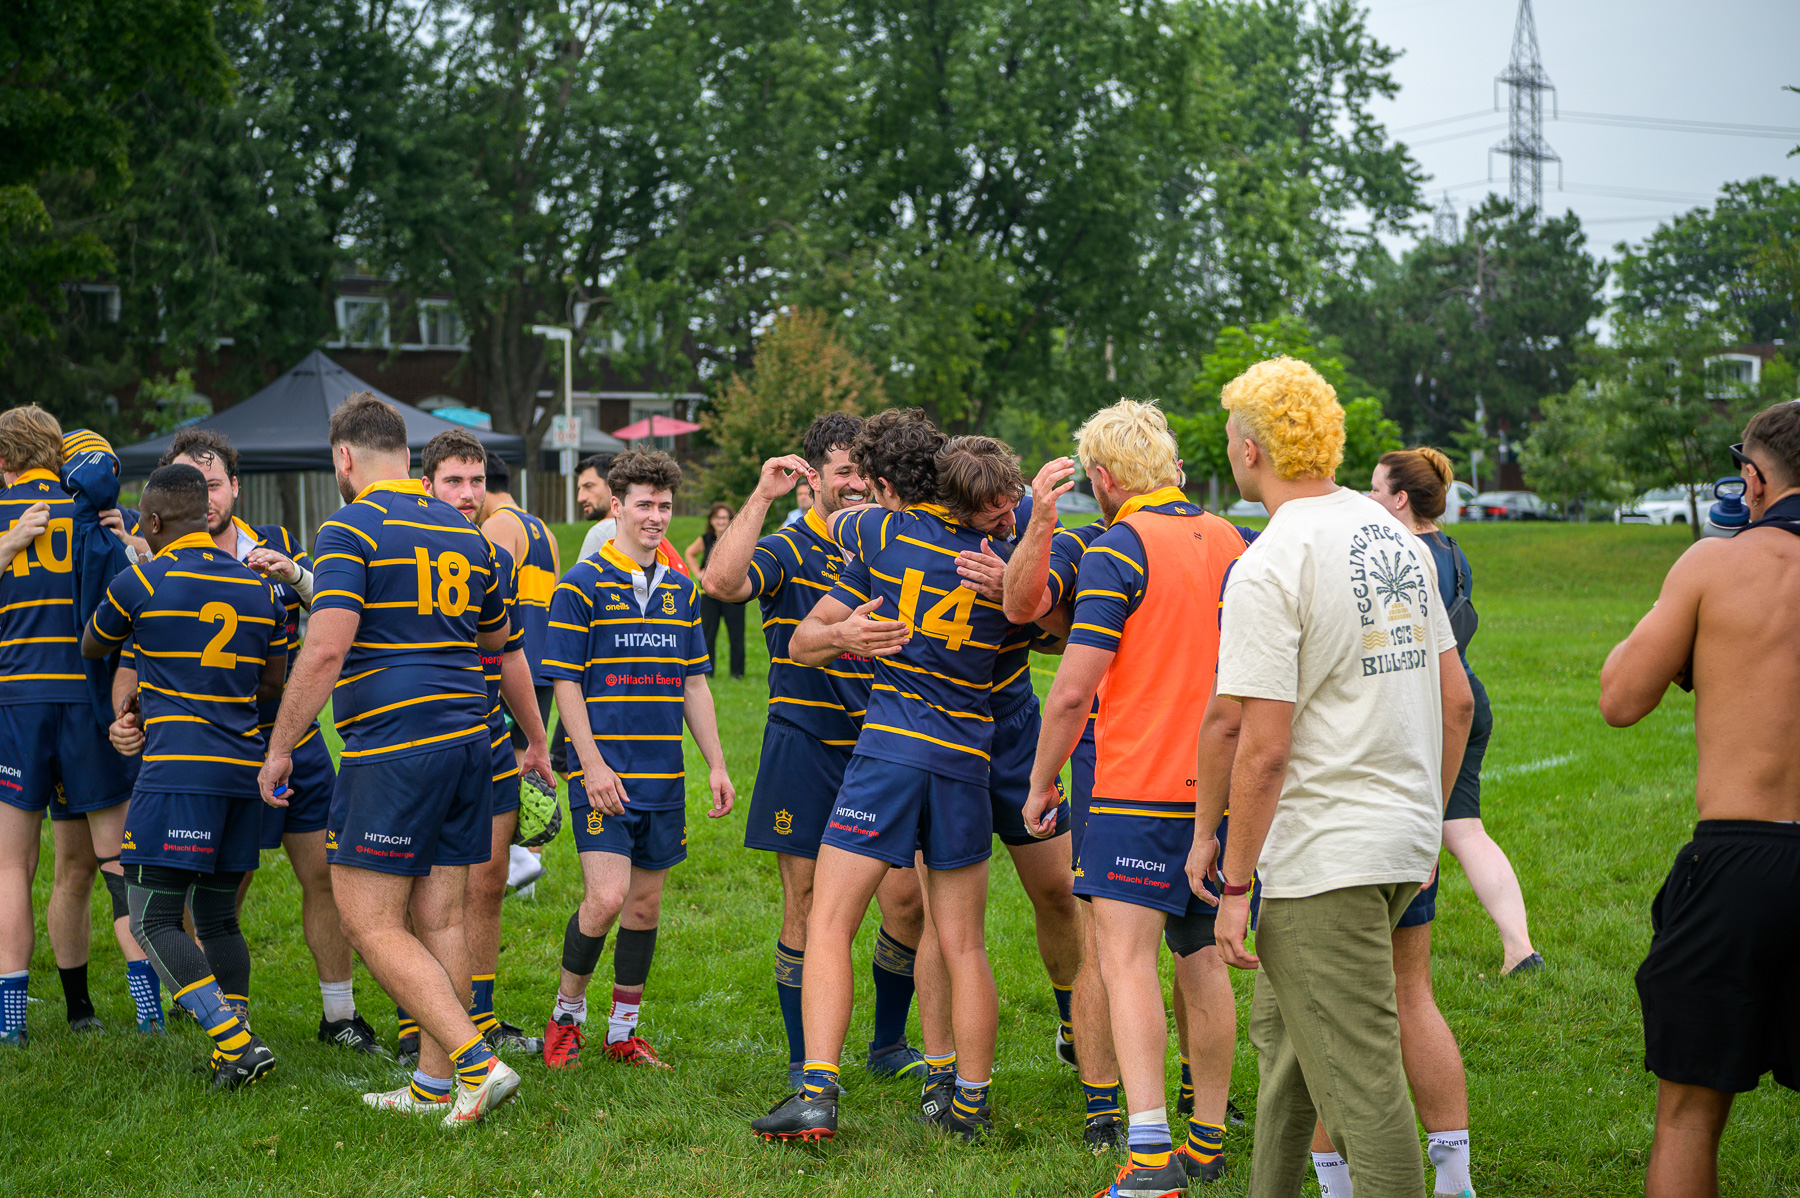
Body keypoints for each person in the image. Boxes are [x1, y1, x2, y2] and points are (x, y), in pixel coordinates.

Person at [1192, 356, 1472, 1198]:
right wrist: (1426, 826)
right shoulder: (1393, 532)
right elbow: (1455, 702)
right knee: (1287, 1063)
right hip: (1390, 843)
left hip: (1320, 860)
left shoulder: (1271, 561)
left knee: (1362, 1083)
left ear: (1248, 450)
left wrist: (1232, 877)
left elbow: (1257, 741)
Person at [258, 392, 521, 1125]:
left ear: (344, 458)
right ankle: (436, 1087)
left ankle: (477, 1062)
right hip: (472, 737)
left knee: (367, 919)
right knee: (440, 920)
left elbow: (327, 645)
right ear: (409, 459)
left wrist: (281, 748)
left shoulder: (350, 527)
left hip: (398, 745)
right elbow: (495, 646)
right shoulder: (472, 536)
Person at [752, 408, 1011, 1144]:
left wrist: (838, 634)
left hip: (889, 751)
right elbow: (1040, 615)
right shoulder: (1005, 553)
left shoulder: (875, 533)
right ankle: (970, 1101)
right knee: (964, 942)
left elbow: (801, 640)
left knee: (829, 922)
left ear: (887, 485)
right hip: (967, 758)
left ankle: (817, 1095)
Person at [1020, 400, 1247, 1195]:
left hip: (1132, 788)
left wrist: (1042, 778)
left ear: (1106, 478)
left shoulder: (1118, 548)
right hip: (1217, 791)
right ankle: (1209, 1139)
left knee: (1123, 963)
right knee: (1201, 958)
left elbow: (1072, 690)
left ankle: (1149, 1153)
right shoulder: (1231, 539)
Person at [1600, 400, 1800, 1198]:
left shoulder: (1714, 566)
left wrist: (1698, 620)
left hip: (1739, 862)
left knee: (1687, 1115)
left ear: (1752, 478)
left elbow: (1619, 696)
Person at [697, 413, 929, 1089]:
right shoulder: (791, 544)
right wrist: (763, 496)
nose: (855, 483)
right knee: (804, 902)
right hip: (804, 743)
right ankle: (807, 1061)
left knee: (907, 900)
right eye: (842, 472)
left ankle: (887, 1043)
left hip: (885, 744)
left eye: (864, 469)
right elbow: (720, 583)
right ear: (815, 478)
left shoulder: (890, 540)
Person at [142, 428, 380, 1052]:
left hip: (292, 736)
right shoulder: (154, 560)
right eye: (193, 484)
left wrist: (295, 576)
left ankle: (339, 1015)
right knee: (219, 887)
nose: (206, 495)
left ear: (234, 488)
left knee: (323, 875)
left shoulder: (274, 545)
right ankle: (222, 1016)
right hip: (220, 746)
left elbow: (331, 612)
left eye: (214, 482)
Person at [81, 463, 288, 1087]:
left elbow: (95, 645)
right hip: (242, 772)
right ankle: (237, 1049)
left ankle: (234, 1042)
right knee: (221, 916)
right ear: (206, 515)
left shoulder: (139, 578)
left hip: (176, 774)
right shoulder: (263, 592)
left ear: (152, 521)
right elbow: (274, 680)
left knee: (150, 918)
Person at [540, 450, 734, 1071]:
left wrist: (718, 764)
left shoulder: (681, 589)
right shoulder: (582, 584)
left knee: (645, 907)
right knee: (605, 899)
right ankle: (565, 1017)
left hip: (665, 779)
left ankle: (623, 1031)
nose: (656, 517)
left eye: (665, 506)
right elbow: (566, 684)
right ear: (617, 506)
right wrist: (590, 766)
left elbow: (695, 684)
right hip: (605, 777)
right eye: (644, 505)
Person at [933, 438, 1094, 1126]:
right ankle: (944, 1070)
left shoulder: (1034, 516)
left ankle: (1070, 1018)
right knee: (948, 920)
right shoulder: (920, 532)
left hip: (1014, 732)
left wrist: (1016, 590)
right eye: (990, 519)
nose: (1003, 525)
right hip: (938, 737)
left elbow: (1065, 635)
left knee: (1058, 890)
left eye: (1010, 511)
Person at [0, 406, 147, 1047]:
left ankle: (13, 1023)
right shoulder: (96, 520)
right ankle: (150, 1011)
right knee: (117, 863)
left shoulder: (6, 519)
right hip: (90, 706)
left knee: (12, 867)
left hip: (18, 703)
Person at [1370, 448, 1539, 974]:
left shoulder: (1401, 557)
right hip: (1469, 695)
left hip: (1434, 708)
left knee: (1416, 826)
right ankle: (1520, 948)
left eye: (1375, 489)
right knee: (1465, 828)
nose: (1367, 497)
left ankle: (1388, 946)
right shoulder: (1452, 548)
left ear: (1399, 499)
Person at [420, 431, 554, 1059]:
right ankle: (419, 1024)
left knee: (490, 879)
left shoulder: (491, 554)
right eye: (454, 481)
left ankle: (482, 1014)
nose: (469, 494)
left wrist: (535, 738)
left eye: (476, 481)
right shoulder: (408, 545)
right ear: (428, 484)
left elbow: (510, 652)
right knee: (424, 887)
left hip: (490, 735)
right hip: (421, 740)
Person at [686, 502, 746, 678]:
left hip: (733, 595)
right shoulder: (705, 539)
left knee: (736, 635)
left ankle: (737, 674)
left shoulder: (738, 538)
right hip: (709, 595)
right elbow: (690, 553)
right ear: (712, 520)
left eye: (724, 518)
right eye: (718, 518)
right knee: (707, 635)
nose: (721, 521)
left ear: (730, 520)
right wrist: (698, 573)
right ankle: (707, 673)